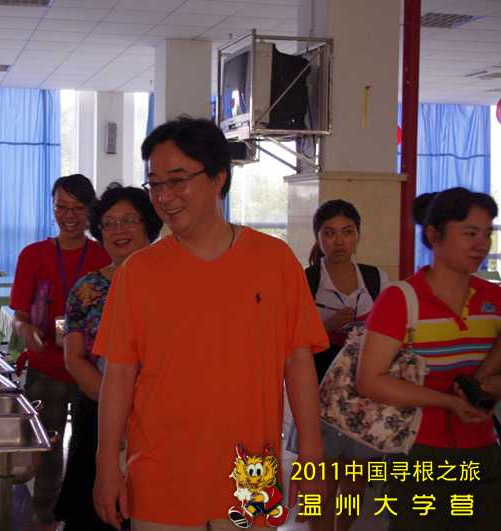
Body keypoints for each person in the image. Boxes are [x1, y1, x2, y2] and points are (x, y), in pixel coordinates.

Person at [92, 116, 329, 530]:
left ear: (218, 177)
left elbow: (298, 361)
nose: (163, 197)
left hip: (251, 484)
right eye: (155, 184)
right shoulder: (139, 273)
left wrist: (312, 458)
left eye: (177, 180)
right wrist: (106, 463)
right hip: (161, 483)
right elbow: (119, 375)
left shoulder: (275, 262)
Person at [356, 187, 501, 530]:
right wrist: (450, 402)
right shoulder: (401, 299)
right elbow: (370, 381)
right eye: (469, 233)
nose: (481, 244)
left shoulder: (494, 298)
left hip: (483, 452)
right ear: (434, 234)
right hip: (419, 454)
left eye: (487, 234)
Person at [54, 183, 163, 530]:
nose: (118, 230)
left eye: (128, 220)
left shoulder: (172, 284)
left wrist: (142, 407)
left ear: (148, 226)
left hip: (160, 419)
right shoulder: (87, 289)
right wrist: (116, 402)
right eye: (109, 223)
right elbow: (74, 358)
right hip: (97, 415)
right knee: (93, 516)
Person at [10, 174, 111, 531]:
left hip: (94, 373)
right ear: (52, 208)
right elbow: (18, 315)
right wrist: (25, 330)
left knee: (92, 452)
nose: (69, 216)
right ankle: (46, 521)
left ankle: (88, 519)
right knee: (47, 454)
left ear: (91, 211)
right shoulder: (33, 255)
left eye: (78, 208)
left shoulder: (104, 254)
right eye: (61, 207)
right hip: (46, 369)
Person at [286, 199, 390, 531]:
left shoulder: (375, 278)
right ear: (318, 237)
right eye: (329, 233)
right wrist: (328, 325)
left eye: (347, 232)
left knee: (354, 484)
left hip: (363, 396)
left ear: (358, 235)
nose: (339, 241)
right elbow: (289, 338)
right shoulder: (306, 279)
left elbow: (391, 332)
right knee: (322, 483)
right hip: (318, 393)